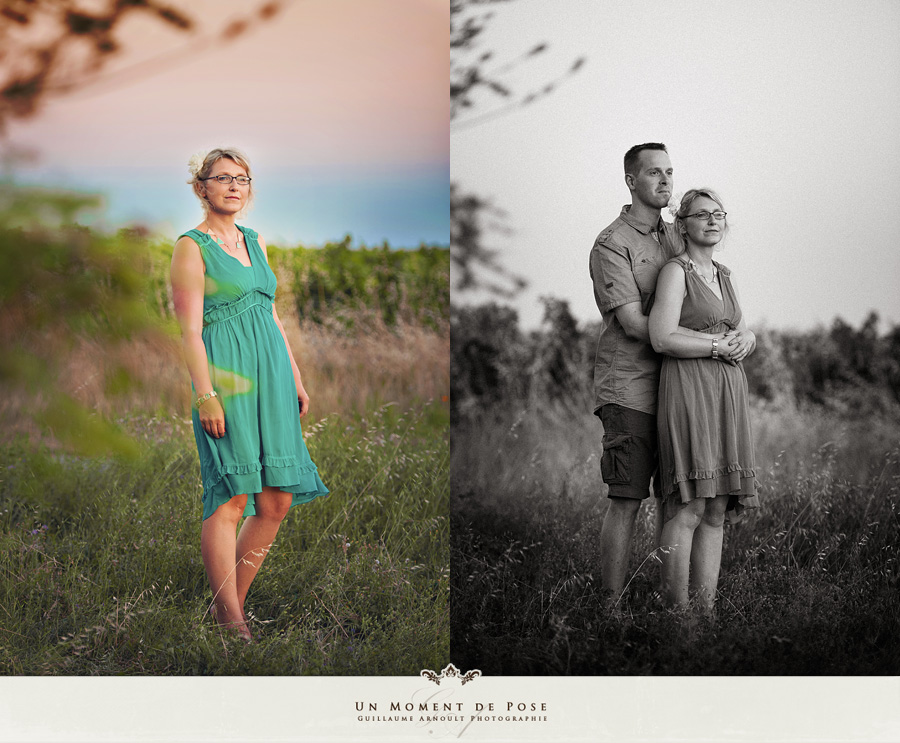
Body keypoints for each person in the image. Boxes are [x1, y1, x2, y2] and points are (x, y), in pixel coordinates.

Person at [170, 147, 329, 641]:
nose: (235, 186)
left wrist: (296, 375)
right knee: (232, 499)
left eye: (242, 179)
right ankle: (231, 623)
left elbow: (271, 314)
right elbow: (190, 331)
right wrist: (205, 395)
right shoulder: (191, 247)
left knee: (276, 500)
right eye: (223, 178)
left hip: (274, 377)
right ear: (202, 188)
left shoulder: (255, 241)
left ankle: (227, 608)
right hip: (227, 379)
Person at [648, 188, 759, 610]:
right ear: (683, 224)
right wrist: (716, 347)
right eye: (702, 215)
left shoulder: (725, 274)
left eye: (719, 214)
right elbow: (662, 337)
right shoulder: (676, 272)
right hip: (690, 389)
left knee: (716, 510)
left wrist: (747, 338)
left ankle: (704, 616)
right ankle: (676, 617)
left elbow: (743, 329)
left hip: (728, 393)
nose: (713, 221)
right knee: (690, 506)